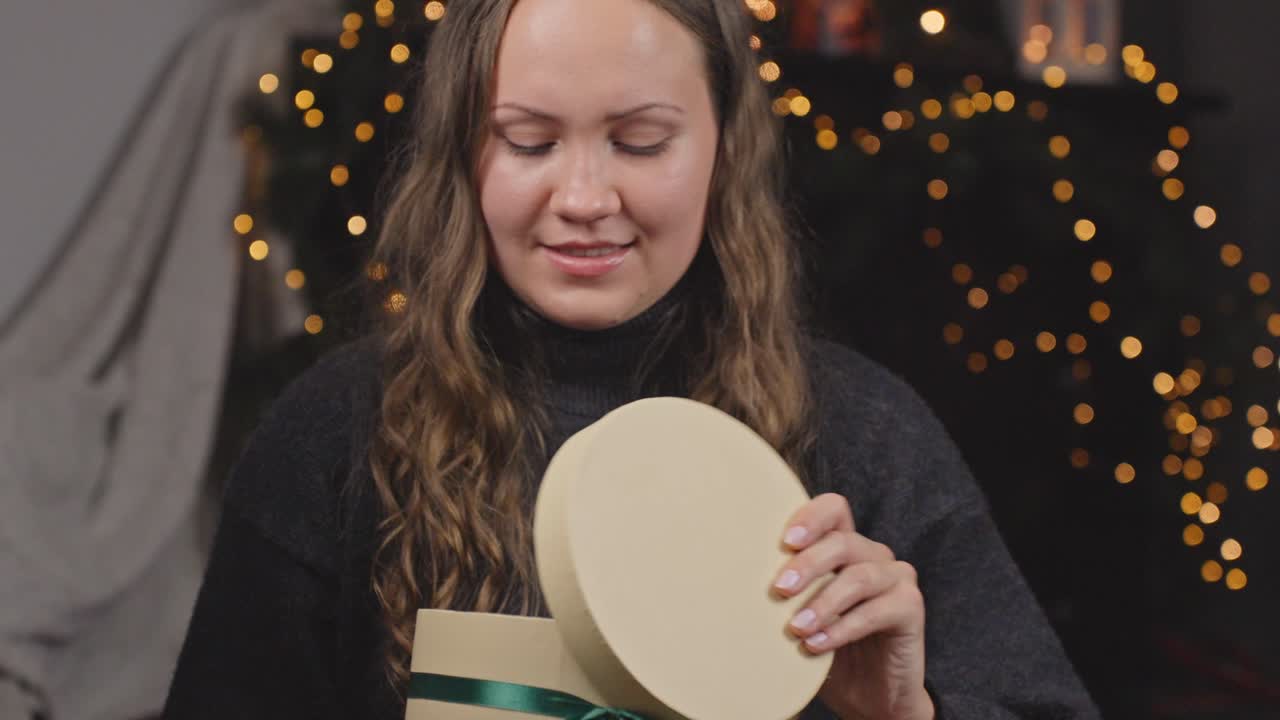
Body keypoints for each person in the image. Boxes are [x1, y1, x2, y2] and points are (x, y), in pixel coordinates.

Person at [163, 0, 1101, 718]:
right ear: (463, 154)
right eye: (529, 141)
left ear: (724, 148)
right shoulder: (335, 434)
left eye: (640, 142)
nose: (584, 197)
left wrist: (908, 714)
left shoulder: (864, 435)